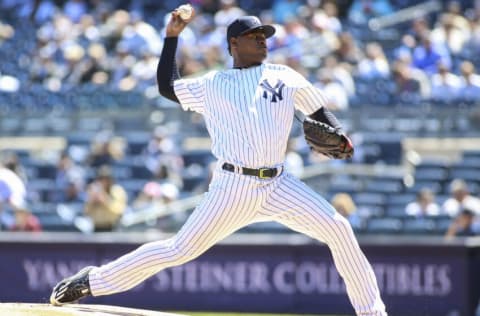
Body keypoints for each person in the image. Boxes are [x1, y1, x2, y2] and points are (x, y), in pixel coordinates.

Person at [50, 10, 387, 316]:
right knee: (177, 250)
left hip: (280, 183)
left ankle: (373, 313)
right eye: (255, 35)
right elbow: (168, 87)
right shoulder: (214, 83)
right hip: (233, 186)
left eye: (265, 35)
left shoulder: (284, 75)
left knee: (339, 229)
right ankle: (92, 281)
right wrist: (171, 37)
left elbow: (319, 113)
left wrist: (340, 135)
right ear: (233, 43)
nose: (262, 40)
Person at [83, 165, 127, 232]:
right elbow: (86, 212)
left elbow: (119, 211)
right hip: (96, 228)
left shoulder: (117, 191)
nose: (104, 181)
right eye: (101, 179)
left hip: (112, 227)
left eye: (106, 179)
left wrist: (105, 199)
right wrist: (92, 200)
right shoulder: (94, 191)